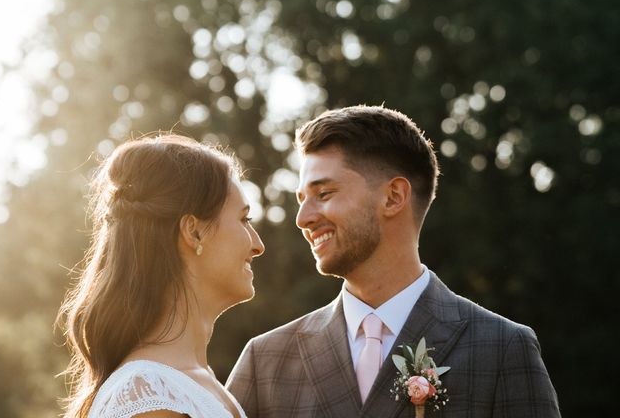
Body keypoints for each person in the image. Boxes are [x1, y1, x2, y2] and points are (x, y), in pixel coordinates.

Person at [227, 105, 561, 417]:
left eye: (324, 194)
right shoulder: (265, 361)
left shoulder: (501, 349)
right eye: (302, 199)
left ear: (393, 197)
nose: (302, 218)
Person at [57, 134, 264, 418]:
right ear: (193, 232)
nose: (258, 245)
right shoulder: (150, 399)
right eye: (244, 220)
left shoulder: (194, 384)